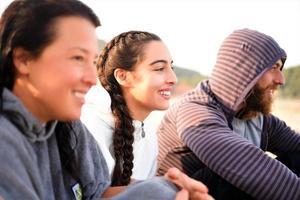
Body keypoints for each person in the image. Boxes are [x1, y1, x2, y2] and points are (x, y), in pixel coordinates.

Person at [0, 0, 214, 200]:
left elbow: (97, 191)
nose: (92, 79)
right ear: (23, 60)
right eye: (77, 58)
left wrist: (165, 189)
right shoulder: (5, 140)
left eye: (92, 61)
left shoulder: (69, 128)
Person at [157, 28, 300, 200]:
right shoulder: (195, 112)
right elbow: (252, 168)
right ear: (246, 71)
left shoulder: (256, 116)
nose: (281, 79)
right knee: (239, 175)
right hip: (178, 196)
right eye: (273, 68)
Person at [81, 30, 177, 186]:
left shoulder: (148, 134)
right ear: (122, 76)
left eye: (171, 67)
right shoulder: (90, 126)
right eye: (159, 68)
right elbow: (94, 195)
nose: (173, 79)